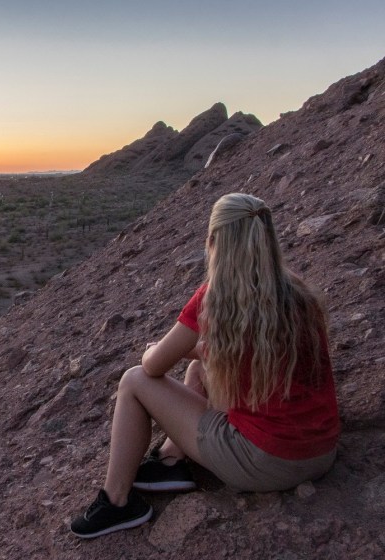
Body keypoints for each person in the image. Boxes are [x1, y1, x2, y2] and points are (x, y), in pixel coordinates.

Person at [71, 192, 340, 539]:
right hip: (320, 452)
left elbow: (152, 367)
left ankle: (116, 501)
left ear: (214, 241)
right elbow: (253, 353)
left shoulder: (215, 298)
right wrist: (198, 354)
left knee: (134, 380)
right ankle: (170, 462)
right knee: (200, 371)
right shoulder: (297, 293)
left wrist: (158, 350)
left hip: (267, 462)